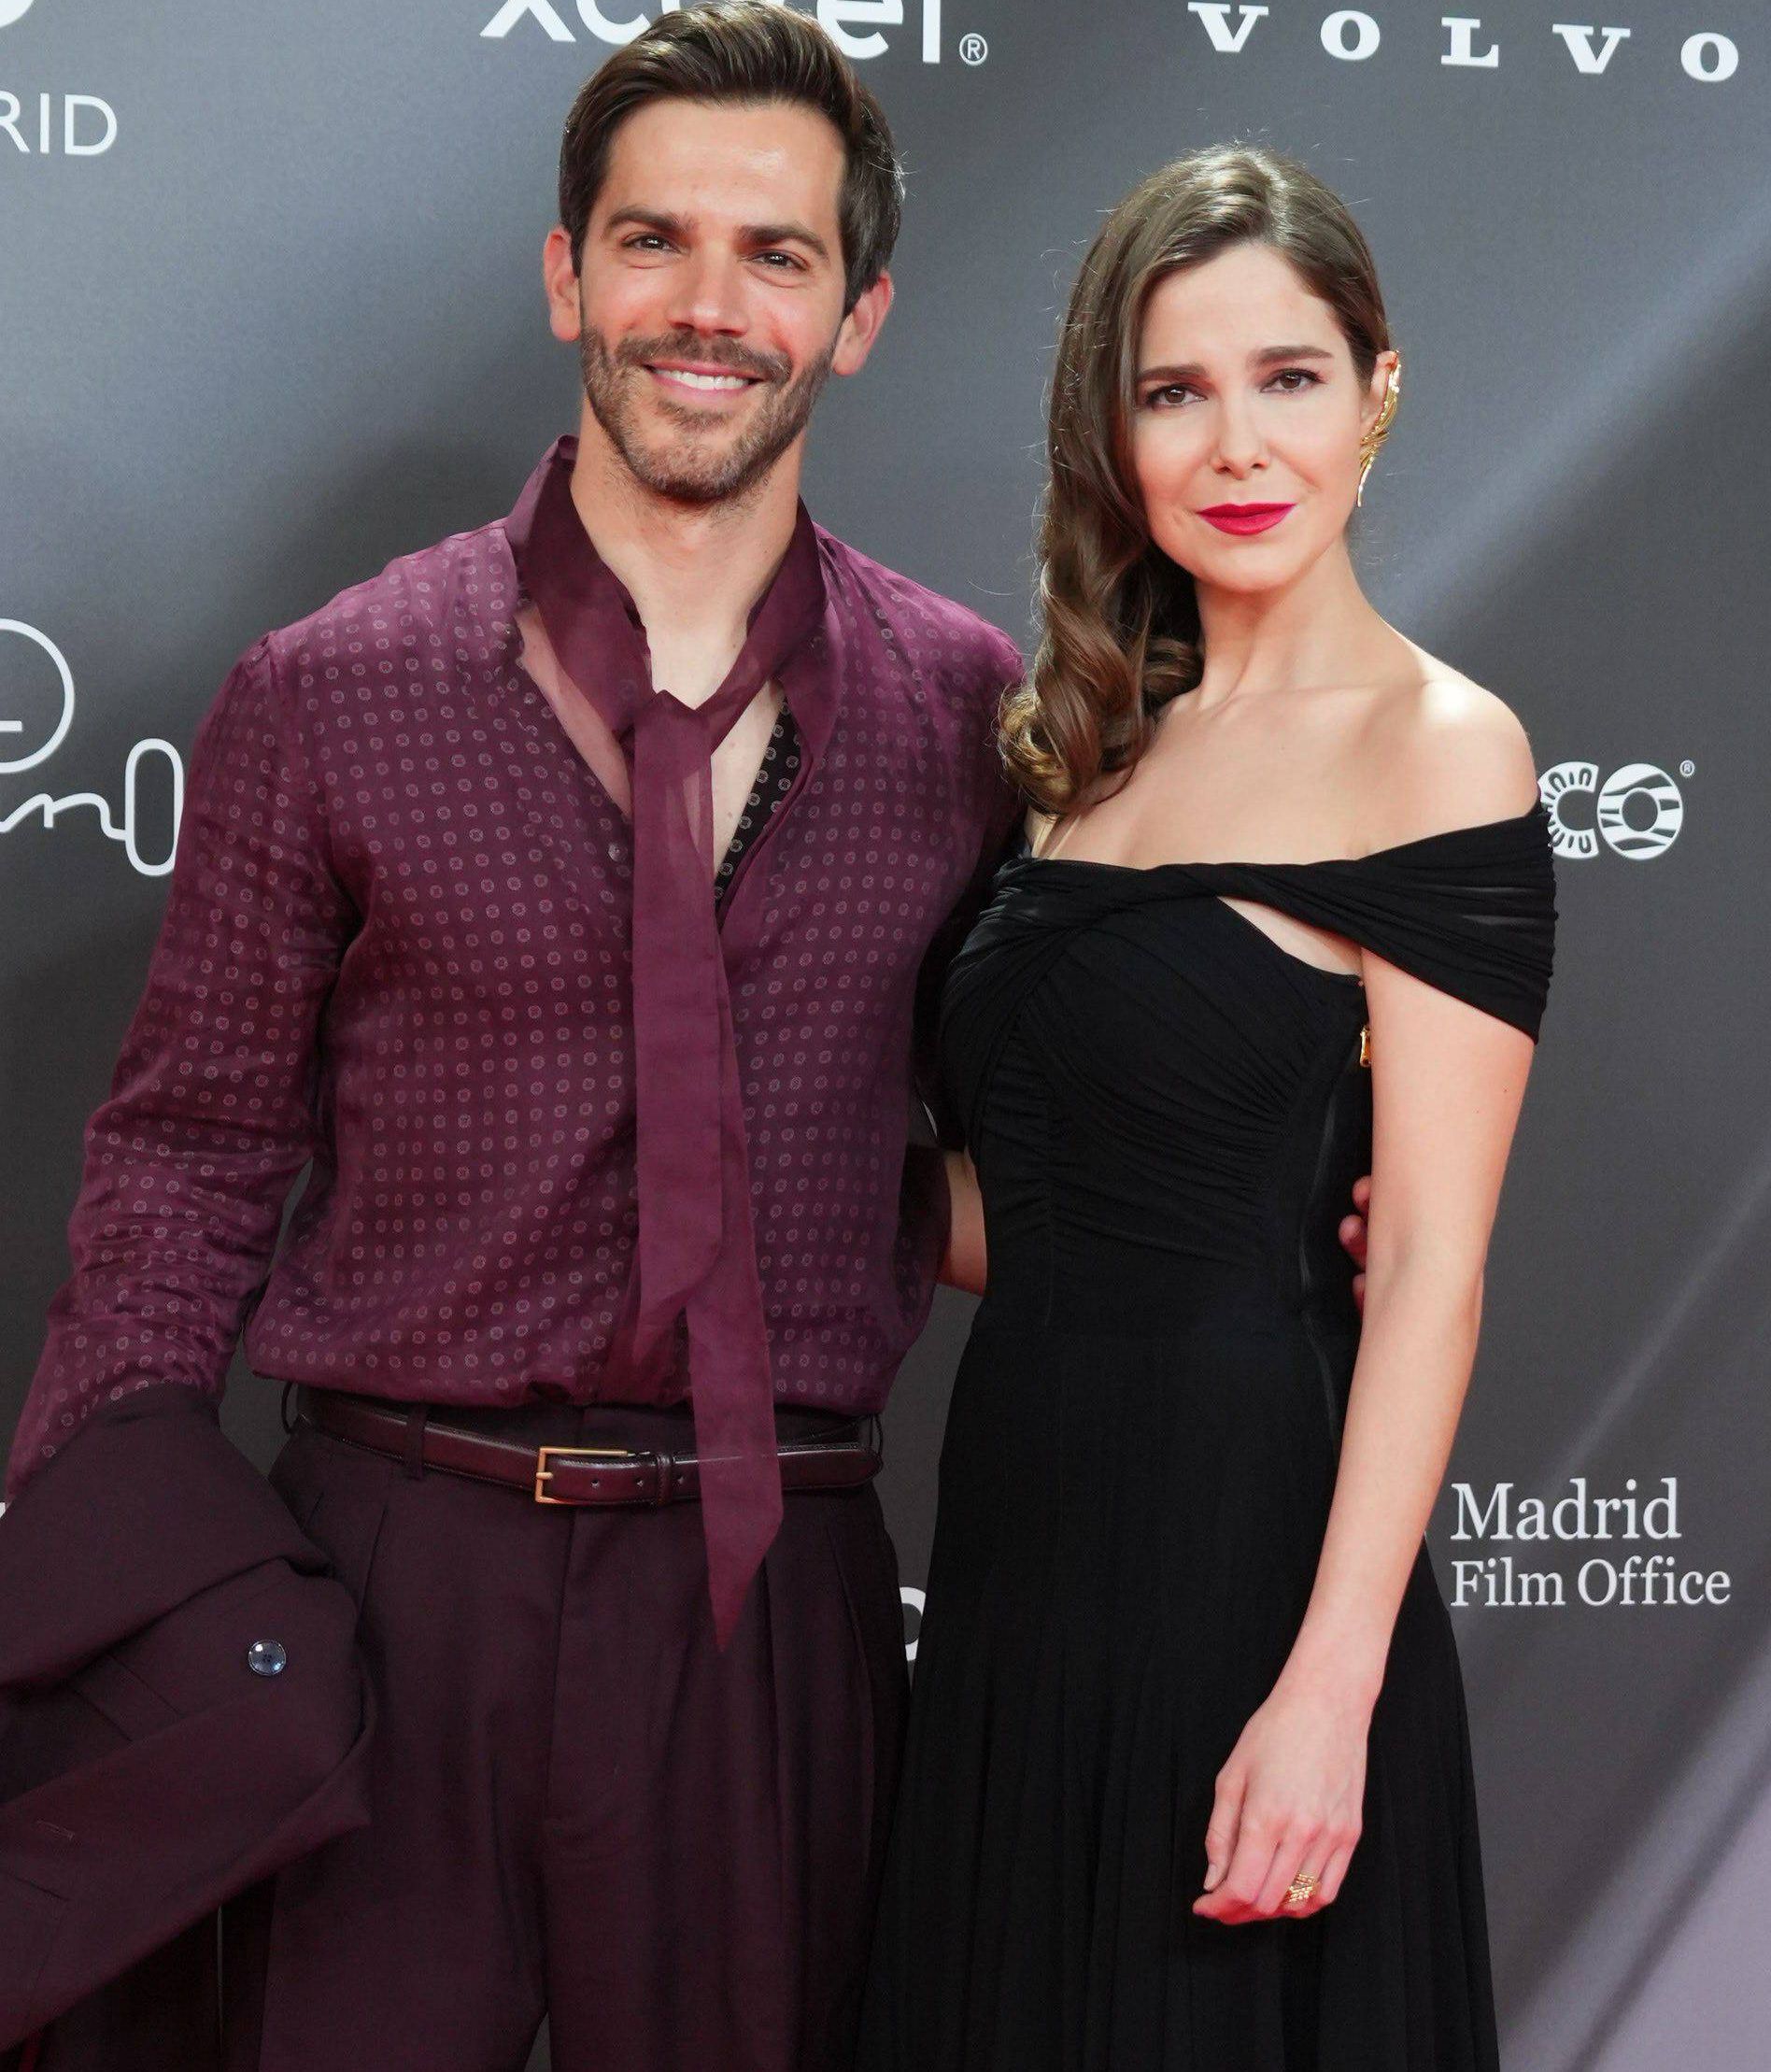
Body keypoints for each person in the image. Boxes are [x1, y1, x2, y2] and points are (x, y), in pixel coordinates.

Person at [0, 13, 1373, 2066]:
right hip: (392, 1578)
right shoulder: (330, 688)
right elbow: (185, 1155)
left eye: (779, 254)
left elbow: (999, 1156)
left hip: (777, 1611)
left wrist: (1248, 1216)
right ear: (567, 274)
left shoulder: (964, 713)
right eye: (653, 244)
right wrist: (125, 1593)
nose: (709, 308)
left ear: (863, 310)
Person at [857, 144, 1556, 2072]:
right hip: (1015, 1555)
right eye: (1176, 389)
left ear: (1377, 386)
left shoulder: (1438, 743)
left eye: (1290, 375)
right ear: (1112, 420)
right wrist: (807, 1173)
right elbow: (1054, 1215)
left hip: (1253, 1567)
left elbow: (1420, 1260)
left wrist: (1329, 1689)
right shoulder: (1077, 750)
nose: (1238, 442)